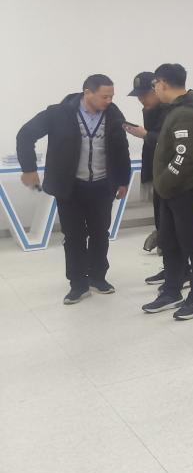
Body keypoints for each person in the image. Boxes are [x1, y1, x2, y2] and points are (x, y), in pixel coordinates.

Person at [17, 75, 131, 304]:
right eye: (104, 96)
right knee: (74, 236)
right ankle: (78, 284)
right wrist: (29, 168)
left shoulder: (113, 114)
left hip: (102, 186)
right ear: (87, 93)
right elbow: (25, 134)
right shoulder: (58, 113)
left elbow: (122, 148)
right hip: (71, 188)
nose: (109, 100)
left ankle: (98, 277)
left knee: (100, 233)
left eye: (111, 96)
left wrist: (123, 181)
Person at [141, 63, 193, 321]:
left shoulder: (185, 114)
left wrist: (164, 181)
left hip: (185, 191)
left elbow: (185, 157)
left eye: (154, 85)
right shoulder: (174, 110)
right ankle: (172, 291)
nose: (154, 90)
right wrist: (164, 185)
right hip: (171, 192)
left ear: (161, 83)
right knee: (170, 243)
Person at [125, 70, 178, 285]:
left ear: (157, 89)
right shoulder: (151, 109)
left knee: (172, 226)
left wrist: (146, 134)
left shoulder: (172, 111)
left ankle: (180, 271)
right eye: (138, 95)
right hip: (156, 173)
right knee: (161, 222)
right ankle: (169, 268)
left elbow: (169, 142)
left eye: (144, 94)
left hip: (171, 176)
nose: (140, 99)